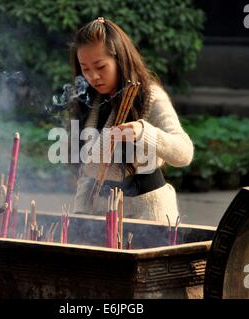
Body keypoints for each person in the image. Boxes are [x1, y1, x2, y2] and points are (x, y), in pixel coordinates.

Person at [67, 17, 194, 224]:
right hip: (101, 214)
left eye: (100, 66)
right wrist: (80, 213)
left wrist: (145, 133)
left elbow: (184, 153)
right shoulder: (87, 101)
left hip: (150, 214)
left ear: (119, 59)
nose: (93, 76)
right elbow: (86, 171)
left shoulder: (149, 96)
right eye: (85, 68)